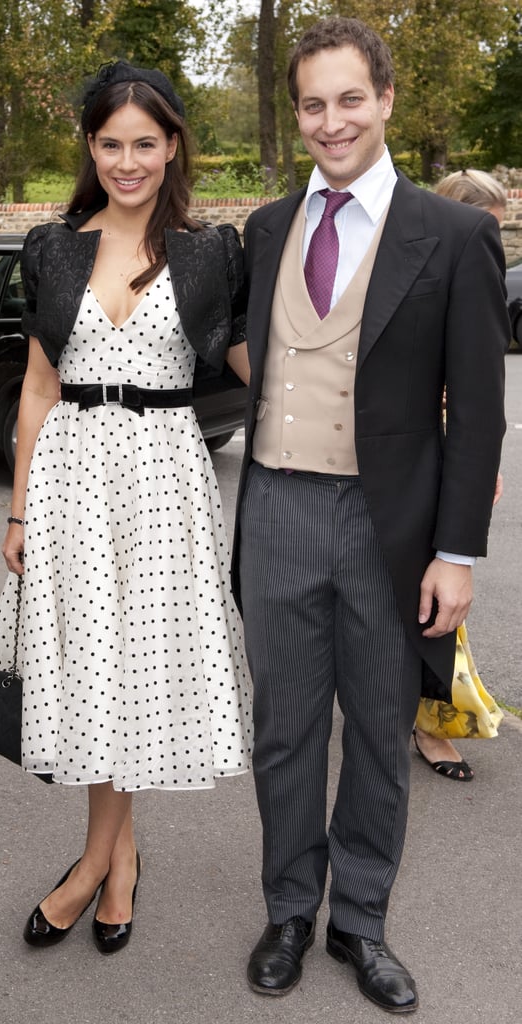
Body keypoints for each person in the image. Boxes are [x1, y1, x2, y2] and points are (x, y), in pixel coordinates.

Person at [232, 17, 508, 1013]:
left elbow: (479, 409)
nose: (332, 119)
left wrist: (455, 551)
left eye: (350, 98)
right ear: (296, 113)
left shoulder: (455, 234)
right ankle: (289, 910)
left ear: (385, 101)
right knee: (285, 733)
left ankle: (359, 921)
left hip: (386, 526)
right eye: (313, 103)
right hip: (273, 511)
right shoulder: (265, 228)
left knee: (381, 729)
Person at [0, 61, 252, 955]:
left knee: (134, 671)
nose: (128, 161)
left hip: (167, 478)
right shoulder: (51, 247)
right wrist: (17, 512)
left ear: (173, 147)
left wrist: (382, 406)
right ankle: (113, 864)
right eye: (111, 143)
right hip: (73, 475)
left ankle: (94, 867)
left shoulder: (213, 251)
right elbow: (39, 391)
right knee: (94, 667)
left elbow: (255, 362)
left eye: (146, 143)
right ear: (91, 148)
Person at [411, 169, 507, 780]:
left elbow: (482, 390)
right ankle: (429, 721)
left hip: (458, 452)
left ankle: (432, 715)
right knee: (420, 598)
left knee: (443, 594)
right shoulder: (428, 261)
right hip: (419, 455)